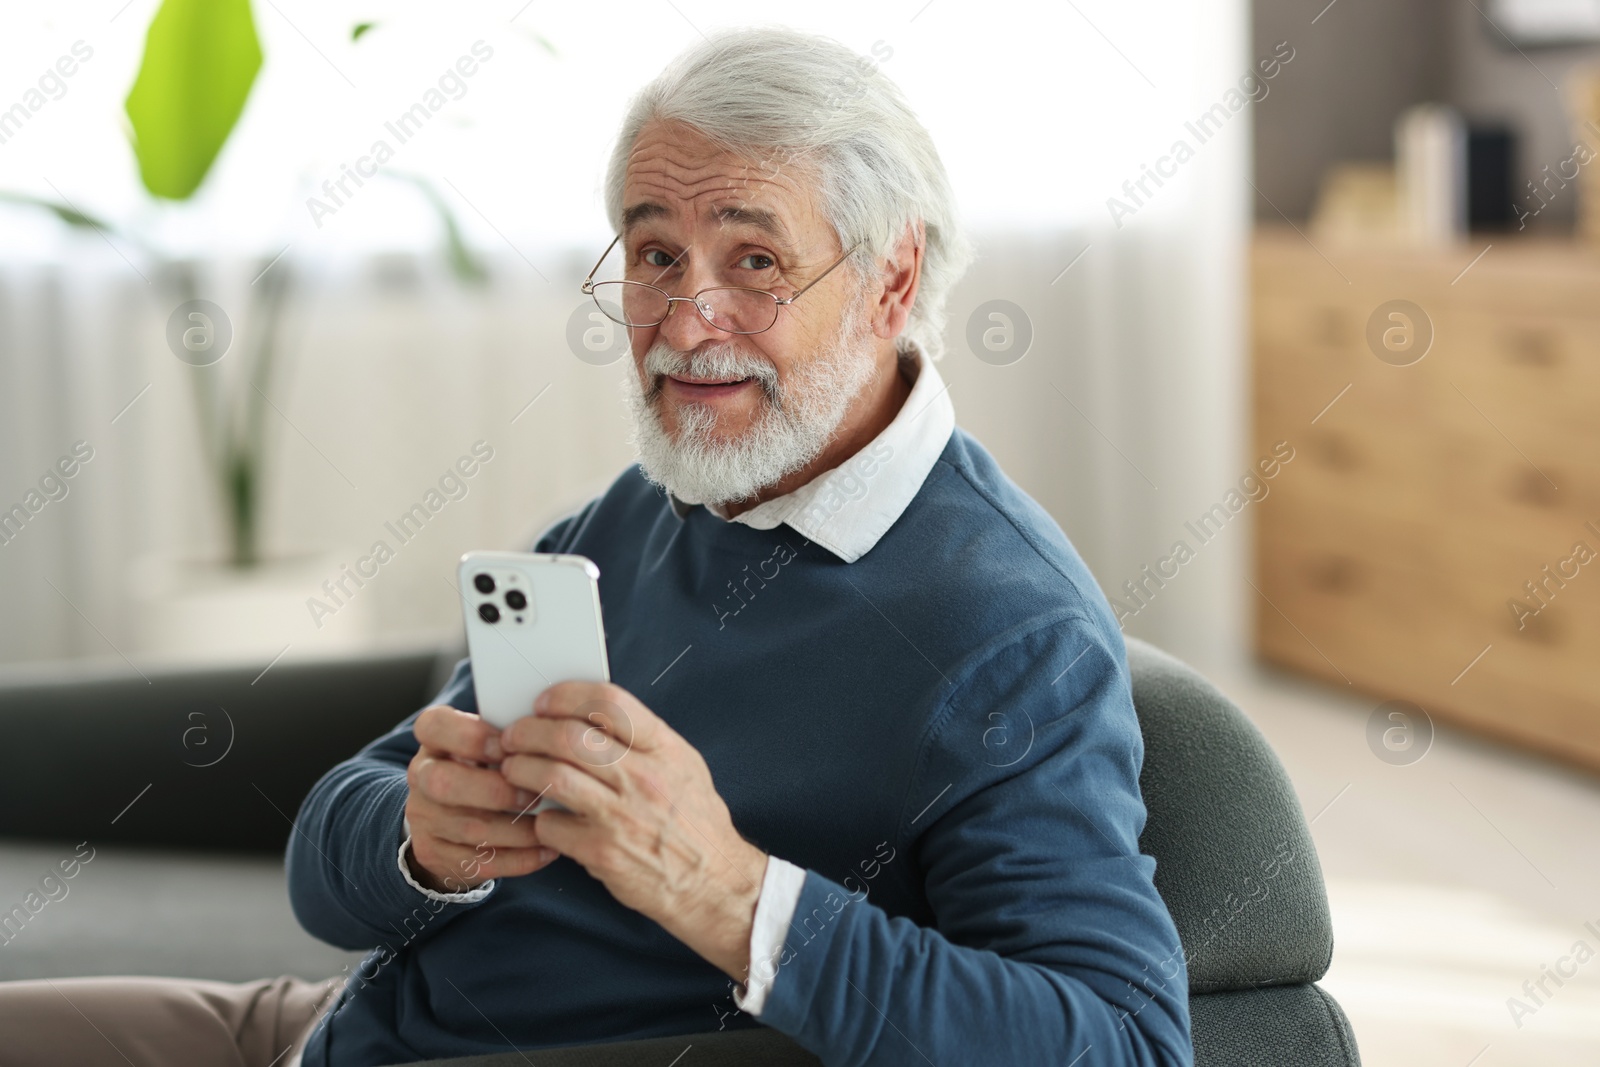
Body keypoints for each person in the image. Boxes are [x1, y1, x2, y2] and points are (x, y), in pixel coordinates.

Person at [0, 26, 1192, 1067]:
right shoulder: (638, 512)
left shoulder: (1006, 628)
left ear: (892, 279)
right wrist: (421, 842)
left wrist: (731, 896)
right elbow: (327, 857)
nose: (682, 321)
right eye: (656, 254)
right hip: (315, 1025)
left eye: (754, 259)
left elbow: (1124, 1041)